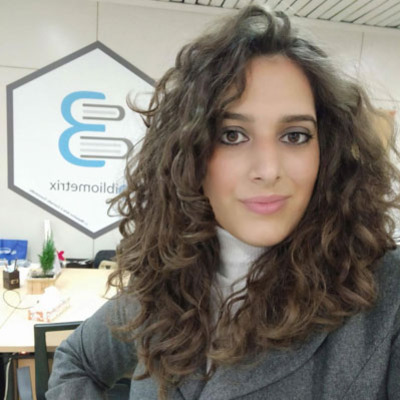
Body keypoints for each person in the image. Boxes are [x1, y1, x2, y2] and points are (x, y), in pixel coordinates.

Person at [47, 5, 400, 400]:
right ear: (190, 155)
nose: (268, 169)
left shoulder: (387, 295)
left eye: (295, 136)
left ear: (327, 150)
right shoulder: (167, 277)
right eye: (232, 135)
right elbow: (76, 360)